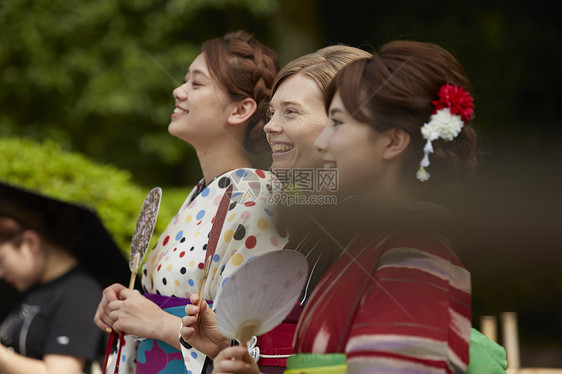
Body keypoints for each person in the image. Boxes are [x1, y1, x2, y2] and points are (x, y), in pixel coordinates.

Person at [213, 40, 477, 373]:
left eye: (337, 122)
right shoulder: (375, 239)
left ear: (393, 141)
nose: (325, 142)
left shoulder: (415, 251)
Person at [93, 31, 289, 374]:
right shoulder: (205, 191)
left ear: (241, 109)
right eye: (185, 80)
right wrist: (125, 304)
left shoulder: (257, 196)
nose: (178, 91)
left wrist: (156, 321)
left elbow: (247, 343)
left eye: (196, 84)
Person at [179, 45, 371, 373]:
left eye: (290, 112)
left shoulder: (367, 232)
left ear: (343, 121)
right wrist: (226, 348)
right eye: (271, 114)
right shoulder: (312, 221)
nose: (269, 126)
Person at [0, 182, 129, 374]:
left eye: (1, 260)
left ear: (30, 243)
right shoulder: (36, 286)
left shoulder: (79, 294)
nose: (1, 273)